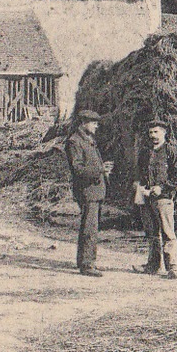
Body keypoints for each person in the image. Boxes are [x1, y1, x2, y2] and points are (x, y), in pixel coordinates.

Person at [133, 118, 177, 278]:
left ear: (164, 133)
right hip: (146, 198)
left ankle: (173, 267)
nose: (153, 135)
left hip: (163, 199)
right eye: (150, 132)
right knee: (152, 233)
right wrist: (138, 186)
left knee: (168, 232)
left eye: (156, 132)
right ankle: (153, 265)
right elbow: (139, 173)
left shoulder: (171, 151)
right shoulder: (145, 152)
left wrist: (162, 187)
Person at [63, 109, 110, 276]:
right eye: (94, 122)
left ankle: (84, 260)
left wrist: (102, 171)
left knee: (90, 227)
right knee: (90, 228)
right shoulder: (74, 142)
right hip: (87, 190)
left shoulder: (89, 140)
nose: (97, 126)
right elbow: (77, 168)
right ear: (84, 123)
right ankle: (88, 265)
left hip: (95, 190)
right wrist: (99, 170)